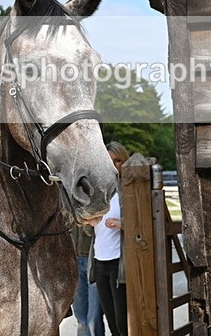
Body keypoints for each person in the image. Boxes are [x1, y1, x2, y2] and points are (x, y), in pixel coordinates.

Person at [90, 141, 130, 336]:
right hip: (99, 262)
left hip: (118, 263)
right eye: (109, 160)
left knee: (123, 322)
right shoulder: (99, 191)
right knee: (111, 322)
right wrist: (88, 223)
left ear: (124, 162)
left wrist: (123, 224)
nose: (113, 165)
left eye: (118, 160)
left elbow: (145, 223)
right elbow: (92, 230)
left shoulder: (128, 191)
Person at [70, 223, 106, 336]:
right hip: (74, 261)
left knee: (94, 317)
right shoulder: (68, 206)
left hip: (93, 260)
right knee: (81, 318)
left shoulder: (98, 205)